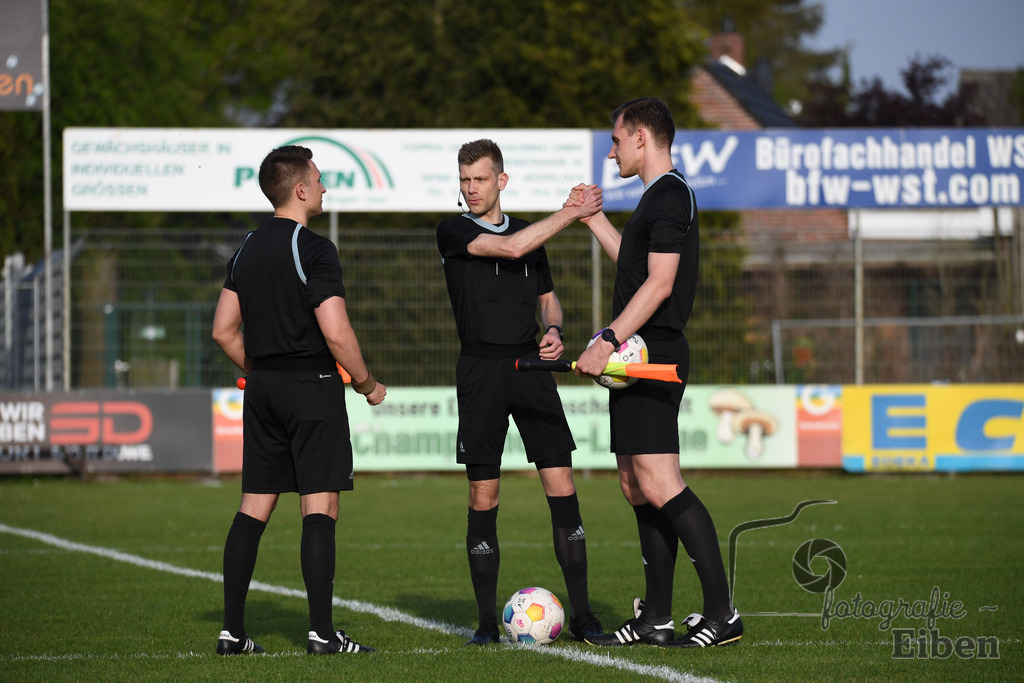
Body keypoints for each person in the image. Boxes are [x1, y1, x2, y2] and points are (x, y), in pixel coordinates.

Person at [573, 98, 742, 648]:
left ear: (642, 137)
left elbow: (661, 283)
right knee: (635, 483)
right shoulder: (657, 197)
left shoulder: (669, 193)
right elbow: (637, 266)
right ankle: (657, 618)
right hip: (637, 355)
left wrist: (608, 339)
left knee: (661, 481)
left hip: (653, 353)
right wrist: (593, 219)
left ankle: (723, 613)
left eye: (617, 139)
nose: (612, 149)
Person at [212, 145, 387, 656]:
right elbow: (336, 332)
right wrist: (366, 382)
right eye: (319, 177)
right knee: (321, 505)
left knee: (254, 506)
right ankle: (321, 634)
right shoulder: (314, 247)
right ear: (302, 189)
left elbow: (223, 331)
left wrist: (266, 369)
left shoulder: (245, 246)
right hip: (311, 386)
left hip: (263, 389)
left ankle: (232, 633)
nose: (326, 186)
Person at [436, 139, 604, 646]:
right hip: (480, 370)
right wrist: (572, 211)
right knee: (483, 494)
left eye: (480, 179)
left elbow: (548, 302)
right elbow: (511, 247)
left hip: (531, 366)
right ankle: (487, 625)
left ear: (501, 181)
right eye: (465, 180)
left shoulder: (532, 235)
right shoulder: (454, 229)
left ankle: (583, 616)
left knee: (562, 486)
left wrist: (553, 331)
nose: (470, 188)